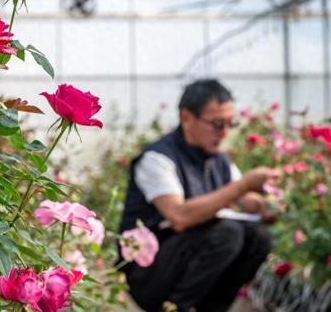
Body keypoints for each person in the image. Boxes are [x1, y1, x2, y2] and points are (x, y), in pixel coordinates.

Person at [119, 79, 281, 312]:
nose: (224, 132)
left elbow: (247, 202)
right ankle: (173, 309)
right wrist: (244, 184)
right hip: (148, 274)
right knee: (227, 232)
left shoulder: (219, 161)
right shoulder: (157, 158)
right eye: (216, 124)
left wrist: (269, 205)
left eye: (229, 123)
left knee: (259, 237)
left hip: (182, 263)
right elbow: (179, 216)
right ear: (186, 118)